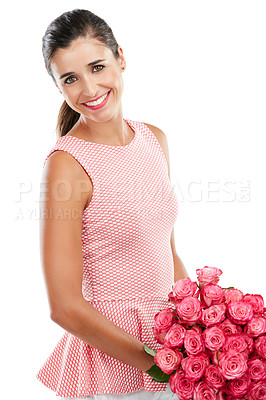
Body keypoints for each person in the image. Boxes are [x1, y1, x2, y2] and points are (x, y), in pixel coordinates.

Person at [36, 8, 188, 400]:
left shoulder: (154, 139)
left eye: (97, 66)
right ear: (59, 88)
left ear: (120, 57)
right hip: (113, 367)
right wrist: (155, 363)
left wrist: (203, 330)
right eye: (70, 78)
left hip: (170, 350)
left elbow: (167, 253)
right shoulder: (66, 167)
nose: (89, 89)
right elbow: (65, 306)